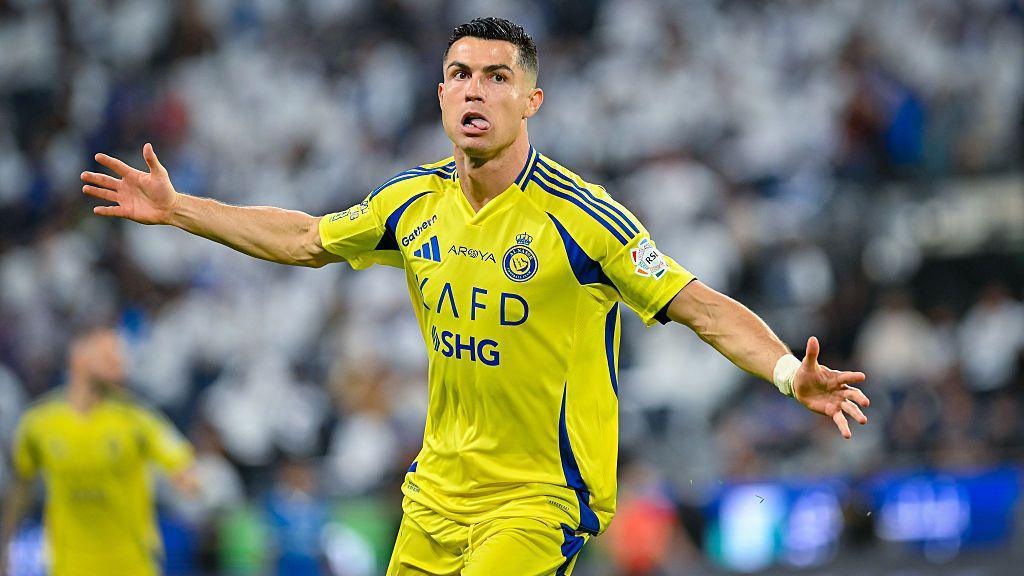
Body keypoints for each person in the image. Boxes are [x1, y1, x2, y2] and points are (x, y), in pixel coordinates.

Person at [79, 17, 869, 576]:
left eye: (497, 77)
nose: (475, 91)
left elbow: (699, 305)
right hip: (435, 495)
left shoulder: (583, 219)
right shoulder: (411, 201)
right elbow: (307, 238)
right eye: (460, 74)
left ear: (531, 102)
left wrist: (784, 373)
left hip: (540, 498)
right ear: (439, 94)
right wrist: (179, 210)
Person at [0, 328, 196, 576]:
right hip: (70, 567)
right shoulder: (38, 424)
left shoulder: (136, 419)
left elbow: (179, 460)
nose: (119, 362)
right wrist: (5, 547)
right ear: (79, 356)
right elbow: (20, 488)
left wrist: (186, 478)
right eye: (108, 353)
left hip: (132, 565)